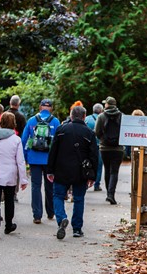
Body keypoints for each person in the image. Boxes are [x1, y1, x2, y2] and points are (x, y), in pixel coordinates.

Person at [47, 106, 98, 239]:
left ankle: (61, 219)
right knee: (79, 199)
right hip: (80, 171)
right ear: (84, 116)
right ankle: (77, 228)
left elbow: (53, 151)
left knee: (58, 196)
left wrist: (50, 170)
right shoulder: (89, 133)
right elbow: (94, 156)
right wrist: (93, 175)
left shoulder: (61, 130)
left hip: (61, 169)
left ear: (71, 116)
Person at [21, 99, 61, 224]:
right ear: (51, 108)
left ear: (40, 107)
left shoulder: (32, 121)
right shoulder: (55, 121)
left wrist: (25, 157)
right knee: (50, 186)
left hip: (34, 158)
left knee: (36, 186)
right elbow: (59, 142)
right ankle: (50, 212)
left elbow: (24, 140)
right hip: (50, 159)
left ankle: (37, 215)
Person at [95, 96, 124, 205]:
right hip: (118, 148)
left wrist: (103, 139)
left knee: (107, 170)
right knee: (114, 171)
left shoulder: (101, 116)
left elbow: (97, 132)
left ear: (107, 104)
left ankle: (109, 194)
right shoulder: (122, 116)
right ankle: (111, 194)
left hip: (104, 148)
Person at [85, 103, 104, 192]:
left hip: (88, 145)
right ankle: (97, 184)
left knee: (86, 164)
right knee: (99, 165)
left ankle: (85, 182)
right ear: (101, 110)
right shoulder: (103, 119)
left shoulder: (87, 119)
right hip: (99, 145)